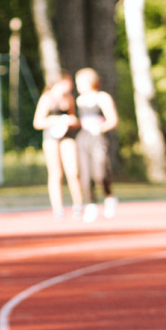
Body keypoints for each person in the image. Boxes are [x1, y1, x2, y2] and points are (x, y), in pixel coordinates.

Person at [33, 77, 83, 218]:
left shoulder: (69, 99)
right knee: (56, 173)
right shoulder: (46, 98)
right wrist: (56, 120)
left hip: (67, 136)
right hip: (51, 137)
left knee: (73, 171)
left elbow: (74, 118)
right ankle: (58, 208)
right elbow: (37, 122)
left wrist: (71, 121)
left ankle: (78, 205)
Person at [74, 68, 119, 222]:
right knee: (85, 174)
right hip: (84, 138)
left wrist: (100, 128)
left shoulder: (103, 97)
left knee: (100, 172)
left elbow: (112, 120)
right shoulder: (79, 100)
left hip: (98, 137)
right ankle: (90, 204)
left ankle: (109, 196)